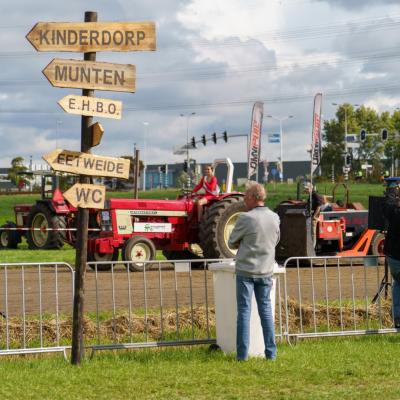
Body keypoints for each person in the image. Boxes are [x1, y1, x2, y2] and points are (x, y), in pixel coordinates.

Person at [228, 182, 280, 361]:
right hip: (266, 270)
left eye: (245, 196)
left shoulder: (245, 218)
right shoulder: (275, 217)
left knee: (244, 312)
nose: (243, 200)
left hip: (246, 271)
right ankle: (271, 354)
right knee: (265, 311)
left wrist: (244, 243)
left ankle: (242, 355)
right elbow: (275, 240)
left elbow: (231, 241)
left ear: (252, 198)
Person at [382, 179, 400, 328]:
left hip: (393, 257)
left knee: (398, 283)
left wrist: (392, 188)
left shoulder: (395, 212)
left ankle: (398, 317)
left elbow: (388, 206)